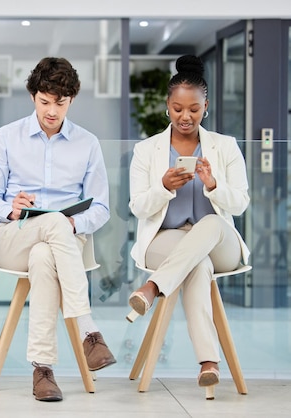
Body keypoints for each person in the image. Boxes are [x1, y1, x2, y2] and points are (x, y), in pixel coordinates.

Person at [0, 57, 116, 402]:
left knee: (45, 254)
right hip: (15, 237)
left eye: (61, 103)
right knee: (51, 225)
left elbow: (100, 207)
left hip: (66, 241)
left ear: (72, 100)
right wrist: (10, 209)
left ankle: (43, 371)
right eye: (45, 102)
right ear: (32, 97)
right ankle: (89, 330)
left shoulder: (87, 143)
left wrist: (73, 222)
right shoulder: (5, 138)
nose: (52, 111)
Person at [128, 54, 250, 390]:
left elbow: (240, 203)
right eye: (178, 109)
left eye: (194, 109)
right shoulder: (146, 150)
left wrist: (213, 185)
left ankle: (152, 288)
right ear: (168, 106)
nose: (186, 116)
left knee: (208, 226)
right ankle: (208, 363)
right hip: (166, 240)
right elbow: (138, 207)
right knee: (197, 265)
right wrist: (164, 187)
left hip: (219, 242)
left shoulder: (225, 147)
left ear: (205, 106)